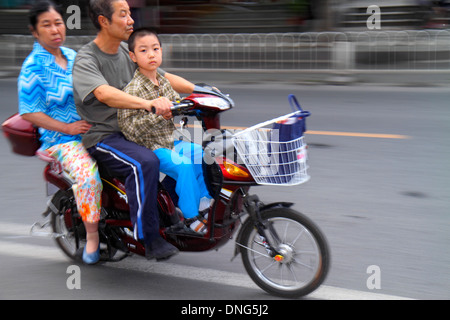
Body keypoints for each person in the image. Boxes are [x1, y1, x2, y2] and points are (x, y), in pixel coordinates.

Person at [72, 0, 194, 261]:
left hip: (136, 132)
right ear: (104, 21)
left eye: (130, 14)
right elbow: (104, 93)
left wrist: (201, 92)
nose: (131, 21)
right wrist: (148, 103)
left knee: (186, 151)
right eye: (124, 14)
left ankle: (172, 214)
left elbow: (164, 77)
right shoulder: (87, 58)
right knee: (145, 162)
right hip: (105, 136)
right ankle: (148, 237)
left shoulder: (128, 54)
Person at [18, 0, 102, 264]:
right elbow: (29, 112)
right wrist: (67, 127)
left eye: (58, 23)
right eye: (47, 25)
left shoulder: (73, 56)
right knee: (88, 178)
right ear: (35, 31)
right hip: (62, 139)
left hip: (92, 129)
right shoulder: (33, 67)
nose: (55, 29)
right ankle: (92, 238)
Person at [118, 28, 212, 235]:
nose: (151, 54)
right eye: (143, 51)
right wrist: (157, 114)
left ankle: (204, 202)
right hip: (150, 148)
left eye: (155, 49)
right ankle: (190, 217)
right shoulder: (133, 90)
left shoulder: (164, 83)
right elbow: (128, 128)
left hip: (170, 141)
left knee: (202, 155)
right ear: (133, 56)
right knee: (184, 165)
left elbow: (178, 104)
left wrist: (199, 103)